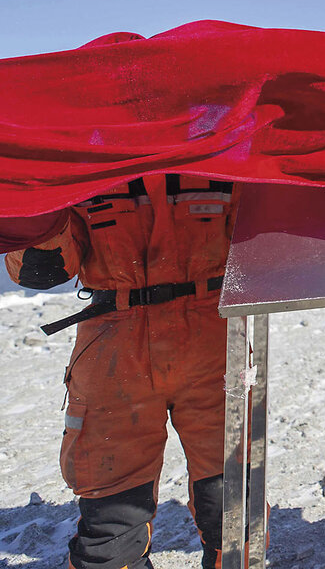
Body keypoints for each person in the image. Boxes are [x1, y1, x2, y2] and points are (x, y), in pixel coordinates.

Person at [4, 173, 239, 569]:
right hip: (115, 343)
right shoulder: (85, 152)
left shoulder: (224, 144)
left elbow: (274, 239)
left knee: (233, 496)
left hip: (212, 337)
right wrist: (31, 201)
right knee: (113, 510)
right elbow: (41, 273)